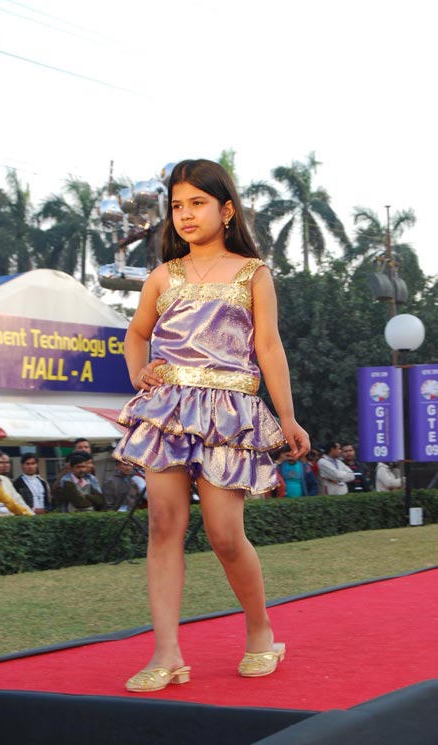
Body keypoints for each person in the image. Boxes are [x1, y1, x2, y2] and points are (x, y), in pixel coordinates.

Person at [113, 159, 309, 692]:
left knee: (224, 534)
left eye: (197, 203)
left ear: (225, 211)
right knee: (163, 526)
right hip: (168, 412)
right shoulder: (163, 276)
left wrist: (287, 416)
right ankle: (167, 653)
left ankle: (261, 632)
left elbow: (269, 346)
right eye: (177, 205)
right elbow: (137, 333)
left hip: (228, 414)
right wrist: (138, 371)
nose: (185, 214)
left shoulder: (253, 273)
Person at [0, 451, 34, 516]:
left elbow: (18, 500)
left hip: (11, 518)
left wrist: (31, 515)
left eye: (0, 462)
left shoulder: (6, 480)